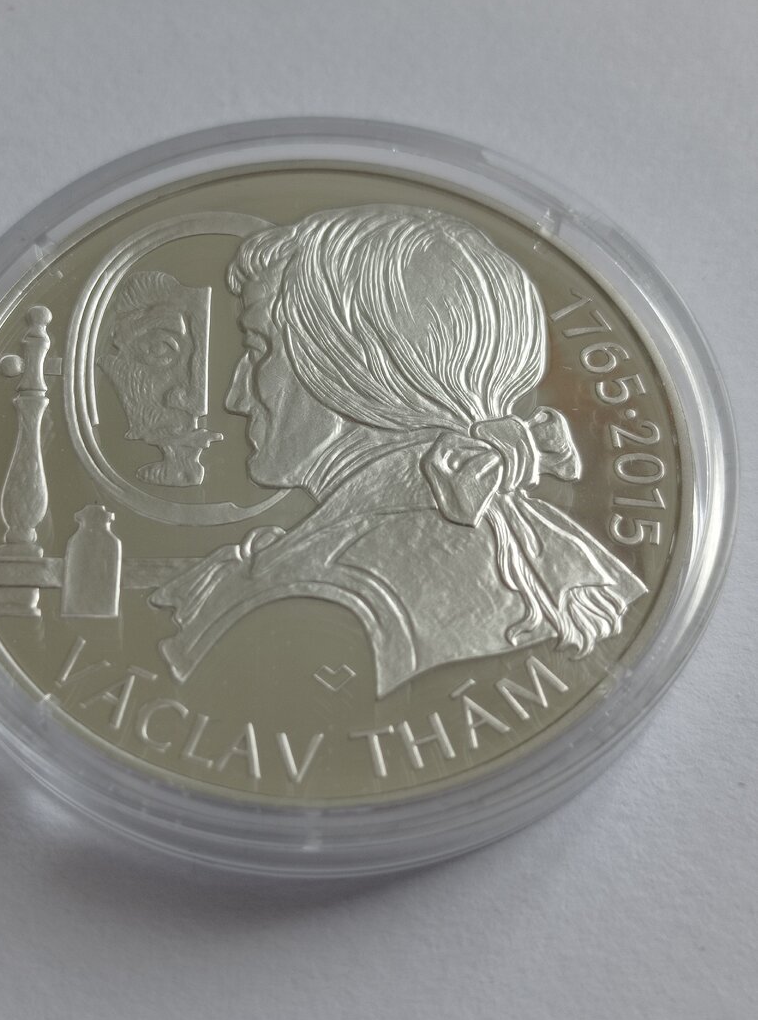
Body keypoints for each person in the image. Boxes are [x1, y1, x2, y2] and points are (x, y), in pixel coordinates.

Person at [150, 205, 645, 698]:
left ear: (349, 369)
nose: (236, 397)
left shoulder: (328, 588)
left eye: (259, 349)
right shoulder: (552, 545)